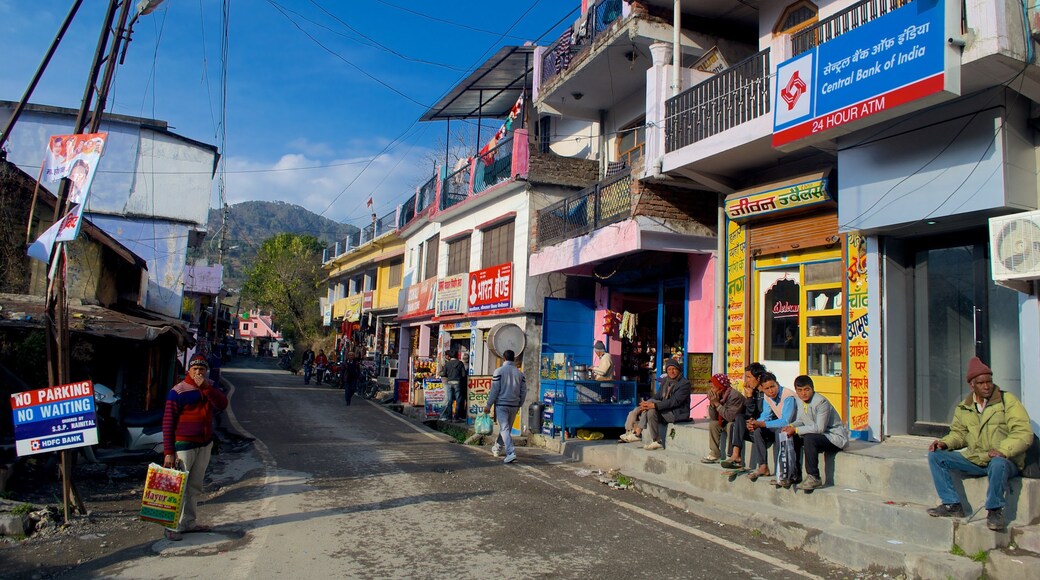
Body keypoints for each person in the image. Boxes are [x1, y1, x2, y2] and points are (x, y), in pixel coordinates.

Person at [925, 357, 1032, 531]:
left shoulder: (1007, 401)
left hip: (1006, 461)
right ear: (972, 385)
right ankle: (952, 504)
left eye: (989, 381)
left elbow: (1023, 433)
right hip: (977, 459)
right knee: (936, 456)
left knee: (998, 463)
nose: (986, 386)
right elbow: (959, 434)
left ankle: (995, 510)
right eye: (981, 383)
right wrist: (944, 443)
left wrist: (1003, 450)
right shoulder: (964, 407)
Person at [161, 354, 228, 541]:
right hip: (183, 445)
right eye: (195, 369)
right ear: (189, 370)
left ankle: (188, 522)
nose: (198, 372)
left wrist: (207, 388)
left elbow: (222, 404)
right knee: (177, 486)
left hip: (204, 444)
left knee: (195, 486)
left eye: (202, 369)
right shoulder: (178, 391)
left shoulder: (209, 387)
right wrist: (168, 452)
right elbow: (168, 422)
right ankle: (171, 526)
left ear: (206, 371)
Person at [781, 375, 849, 491]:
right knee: (793, 437)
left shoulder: (821, 402)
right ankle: (794, 475)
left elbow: (819, 428)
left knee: (809, 438)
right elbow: (801, 420)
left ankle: (814, 477)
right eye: (800, 390)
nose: (804, 393)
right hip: (818, 435)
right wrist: (791, 426)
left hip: (833, 437)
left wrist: (796, 430)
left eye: (807, 390)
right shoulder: (799, 400)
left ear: (812, 389)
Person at [618, 358, 690, 450]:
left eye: (674, 369)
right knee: (650, 410)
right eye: (669, 369)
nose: (671, 371)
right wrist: (646, 404)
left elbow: (674, 401)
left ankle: (638, 432)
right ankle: (656, 441)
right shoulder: (665, 381)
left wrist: (654, 405)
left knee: (651, 405)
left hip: (676, 413)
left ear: (678, 370)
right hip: (665, 410)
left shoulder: (684, 383)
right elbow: (657, 396)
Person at [746, 372, 797, 481]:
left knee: (780, 432)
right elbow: (766, 415)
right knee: (758, 430)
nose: (771, 391)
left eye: (773, 386)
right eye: (767, 388)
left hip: (794, 428)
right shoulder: (767, 397)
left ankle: (782, 472)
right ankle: (763, 466)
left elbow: (786, 421)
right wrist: (755, 423)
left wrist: (763, 423)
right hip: (781, 426)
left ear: (777, 384)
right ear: (763, 389)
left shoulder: (788, 396)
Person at [720, 362, 768, 469]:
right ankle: (735, 456)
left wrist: (750, 398)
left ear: (758, 377)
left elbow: (762, 412)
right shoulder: (753, 392)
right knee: (737, 421)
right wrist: (749, 397)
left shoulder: (766, 392)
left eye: (749, 377)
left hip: (763, 427)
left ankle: (736, 457)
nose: (747, 381)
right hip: (752, 424)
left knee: (739, 421)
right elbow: (748, 413)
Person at [484, 349, 527, 464]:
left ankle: (511, 452)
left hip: (502, 405)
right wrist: (519, 404)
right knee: (505, 429)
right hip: (514, 405)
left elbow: (494, 390)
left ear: (503, 358)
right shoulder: (520, 374)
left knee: (504, 429)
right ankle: (497, 448)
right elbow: (524, 392)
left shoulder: (499, 371)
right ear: (514, 358)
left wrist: (488, 405)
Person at [702, 373, 745, 463]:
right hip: (723, 420)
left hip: (736, 423)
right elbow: (714, 418)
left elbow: (730, 417)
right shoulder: (718, 396)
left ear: (721, 387)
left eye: (713, 387)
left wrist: (717, 404)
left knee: (730, 425)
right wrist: (712, 404)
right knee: (713, 424)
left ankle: (732, 454)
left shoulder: (735, 396)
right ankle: (715, 453)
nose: (711, 390)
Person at [439, 350, 467, 421]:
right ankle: (456, 417)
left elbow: (444, 374)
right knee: (458, 400)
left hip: (449, 383)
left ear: (449, 356)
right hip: (458, 382)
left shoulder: (447, 364)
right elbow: (463, 374)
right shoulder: (460, 363)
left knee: (450, 400)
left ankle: (449, 417)